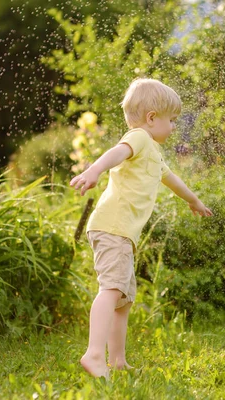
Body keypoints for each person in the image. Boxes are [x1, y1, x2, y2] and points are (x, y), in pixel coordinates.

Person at [70, 78, 213, 378]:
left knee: (123, 299)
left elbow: (173, 180)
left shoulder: (154, 153)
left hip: (121, 233)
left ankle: (117, 360)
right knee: (111, 290)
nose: (174, 127)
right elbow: (116, 152)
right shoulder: (138, 138)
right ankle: (94, 354)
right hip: (113, 227)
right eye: (171, 120)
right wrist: (95, 170)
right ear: (151, 119)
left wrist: (194, 201)